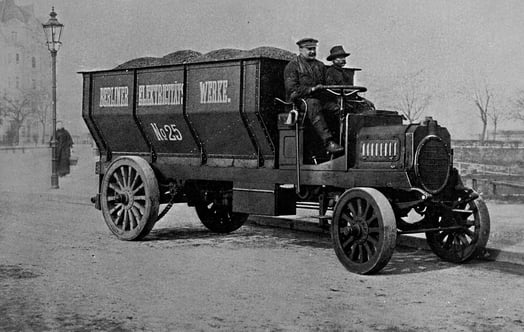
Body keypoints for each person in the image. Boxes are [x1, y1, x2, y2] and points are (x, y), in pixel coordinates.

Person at [283, 38, 344, 154]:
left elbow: (328, 83)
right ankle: (328, 142)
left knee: (337, 108)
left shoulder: (320, 65)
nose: (312, 52)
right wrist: (311, 89)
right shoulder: (293, 66)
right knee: (314, 104)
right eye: (309, 49)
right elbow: (291, 88)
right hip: (299, 102)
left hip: (319, 99)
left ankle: (343, 140)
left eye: (314, 49)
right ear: (300, 49)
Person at [325, 45, 375, 113]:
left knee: (369, 106)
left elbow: (351, 91)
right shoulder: (330, 72)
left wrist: (362, 99)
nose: (343, 59)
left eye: (344, 57)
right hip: (336, 100)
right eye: (340, 57)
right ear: (333, 59)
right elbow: (331, 91)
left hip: (348, 99)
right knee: (345, 109)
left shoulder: (345, 73)